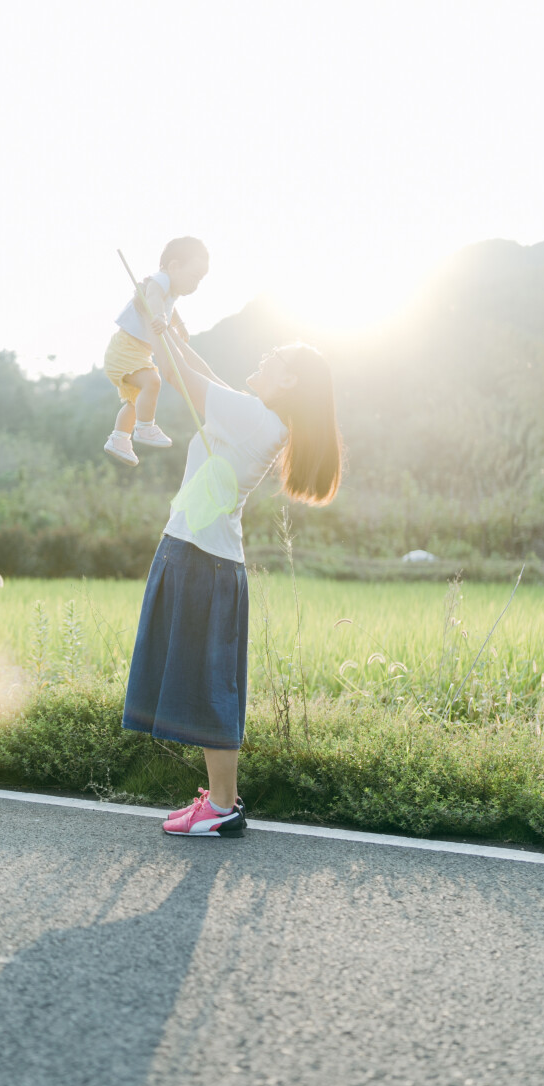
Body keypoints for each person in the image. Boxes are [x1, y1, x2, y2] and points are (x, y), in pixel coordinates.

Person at [122, 331, 342, 836]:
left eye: (275, 356)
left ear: (288, 379)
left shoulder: (251, 417)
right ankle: (221, 801)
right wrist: (170, 324)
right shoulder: (256, 415)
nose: (264, 355)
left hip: (202, 559)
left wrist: (155, 323)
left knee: (209, 686)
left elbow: (179, 375)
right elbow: (202, 375)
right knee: (208, 682)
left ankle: (221, 808)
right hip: (201, 555)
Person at [102, 237, 210, 467]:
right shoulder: (159, 280)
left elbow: (170, 306)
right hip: (125, 349)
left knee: (136, 401)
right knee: (153, 381)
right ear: (174, 267)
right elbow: (153, 297)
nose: (196, 284)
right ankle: (145, 428)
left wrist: (179, 325)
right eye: (194, 276)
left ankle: (119, 439)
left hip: (134, 352)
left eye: (200, 280)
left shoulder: (169, 290)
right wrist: (159, 316)